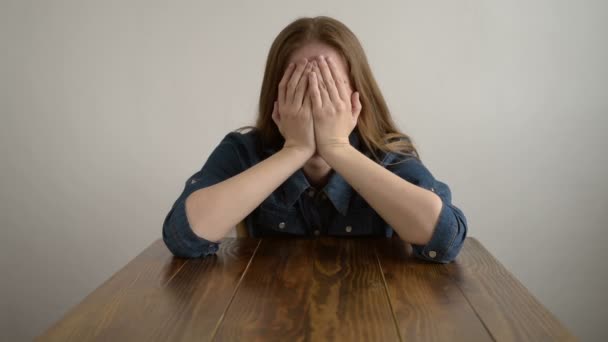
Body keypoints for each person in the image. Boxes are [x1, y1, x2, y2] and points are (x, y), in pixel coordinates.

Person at [162, 16, 468, 264]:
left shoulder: (387, 153)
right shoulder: (244, 151)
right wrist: (295, 150)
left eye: (329, 87)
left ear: (356, 97)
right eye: (299, 87)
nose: (316, 102)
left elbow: (446, 239)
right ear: (276, 97)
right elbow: (183, 236)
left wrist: (337, 149)